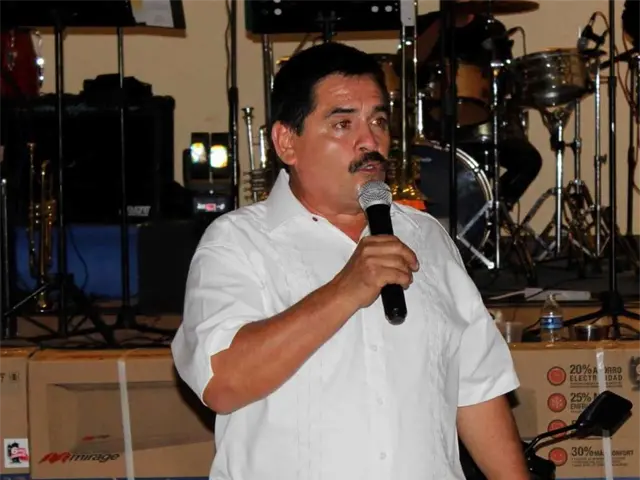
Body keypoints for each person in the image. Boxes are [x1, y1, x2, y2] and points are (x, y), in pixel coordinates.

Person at [171, 42, 529, 480]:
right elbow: (222, 383)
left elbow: (477, 388)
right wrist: (345, 290)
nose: (370, 141)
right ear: (286, 142)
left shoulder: (427, 237)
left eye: (378, 121)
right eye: (343, 124)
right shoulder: (237, 243)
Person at [411, 5, 543, 213]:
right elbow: (407, 65)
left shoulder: (490, 28)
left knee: (528, 161)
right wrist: (439, 25)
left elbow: (505, 79)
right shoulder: (425, 24)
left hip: (481, 123)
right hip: (436, 123)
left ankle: (490, 215)